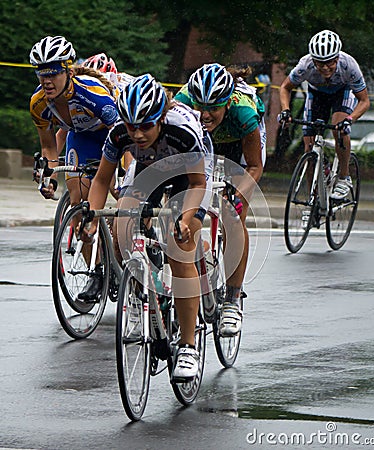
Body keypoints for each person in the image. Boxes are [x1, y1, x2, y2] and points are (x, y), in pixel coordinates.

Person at [82, 74, 213, 379]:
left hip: (187, 174)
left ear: (160, 118)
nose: (137, 134)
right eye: (131, 127)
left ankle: (189, 346)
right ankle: (145, 295)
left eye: (145, 126)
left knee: (181, 244)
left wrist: (184, 217)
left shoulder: (183, 132)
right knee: (120, 228)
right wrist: (91, 214)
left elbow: (197, 183)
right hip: (146, 168)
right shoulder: (119, 134)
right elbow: (102, 180)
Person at [175, 63, 266, 337]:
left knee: (233, 217)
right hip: (200, 144)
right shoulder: (181, 104)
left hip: (238, 149)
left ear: (227, 103)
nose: (204, 114)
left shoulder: (243, 113)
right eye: (199, 106)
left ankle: (233, 299)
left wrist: (236, 194)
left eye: (213, 108)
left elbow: (254, 166)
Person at [29, 36, 119, 301]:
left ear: (68, 71)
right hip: (81, 137)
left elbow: (122, 137)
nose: (46, 79)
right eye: (41, 72)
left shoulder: (92, 94)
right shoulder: (38, 104)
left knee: (121, 193)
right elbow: (48, 148)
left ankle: (134, 247)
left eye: (53, 72)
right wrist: (49, 177)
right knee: (80, 207)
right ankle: (99, 273)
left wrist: (120, 177)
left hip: (113, 137)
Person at [278, 29, 370, 200]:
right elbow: (285, 87)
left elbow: (364, 101)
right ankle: (313, 197)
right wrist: (285, 111)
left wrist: (350, 120)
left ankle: (344, 177)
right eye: (320, 64)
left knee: (338, 128)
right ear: (313, 60)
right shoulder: (305, 65)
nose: (325, 68)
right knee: (308, 147)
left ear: (337, 58)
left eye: (330, 63)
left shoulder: (349, 66)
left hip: (342, 93)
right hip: (317, 94)